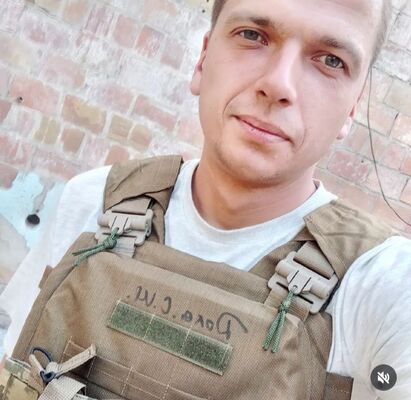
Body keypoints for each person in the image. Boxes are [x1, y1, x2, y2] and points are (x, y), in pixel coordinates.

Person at [1, 0, 410, 398]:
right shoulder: (93, 202)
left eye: (331, 61)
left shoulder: (386, 291)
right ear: (202, 60)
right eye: (252, 35)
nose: (278, 85)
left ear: (353, 107)